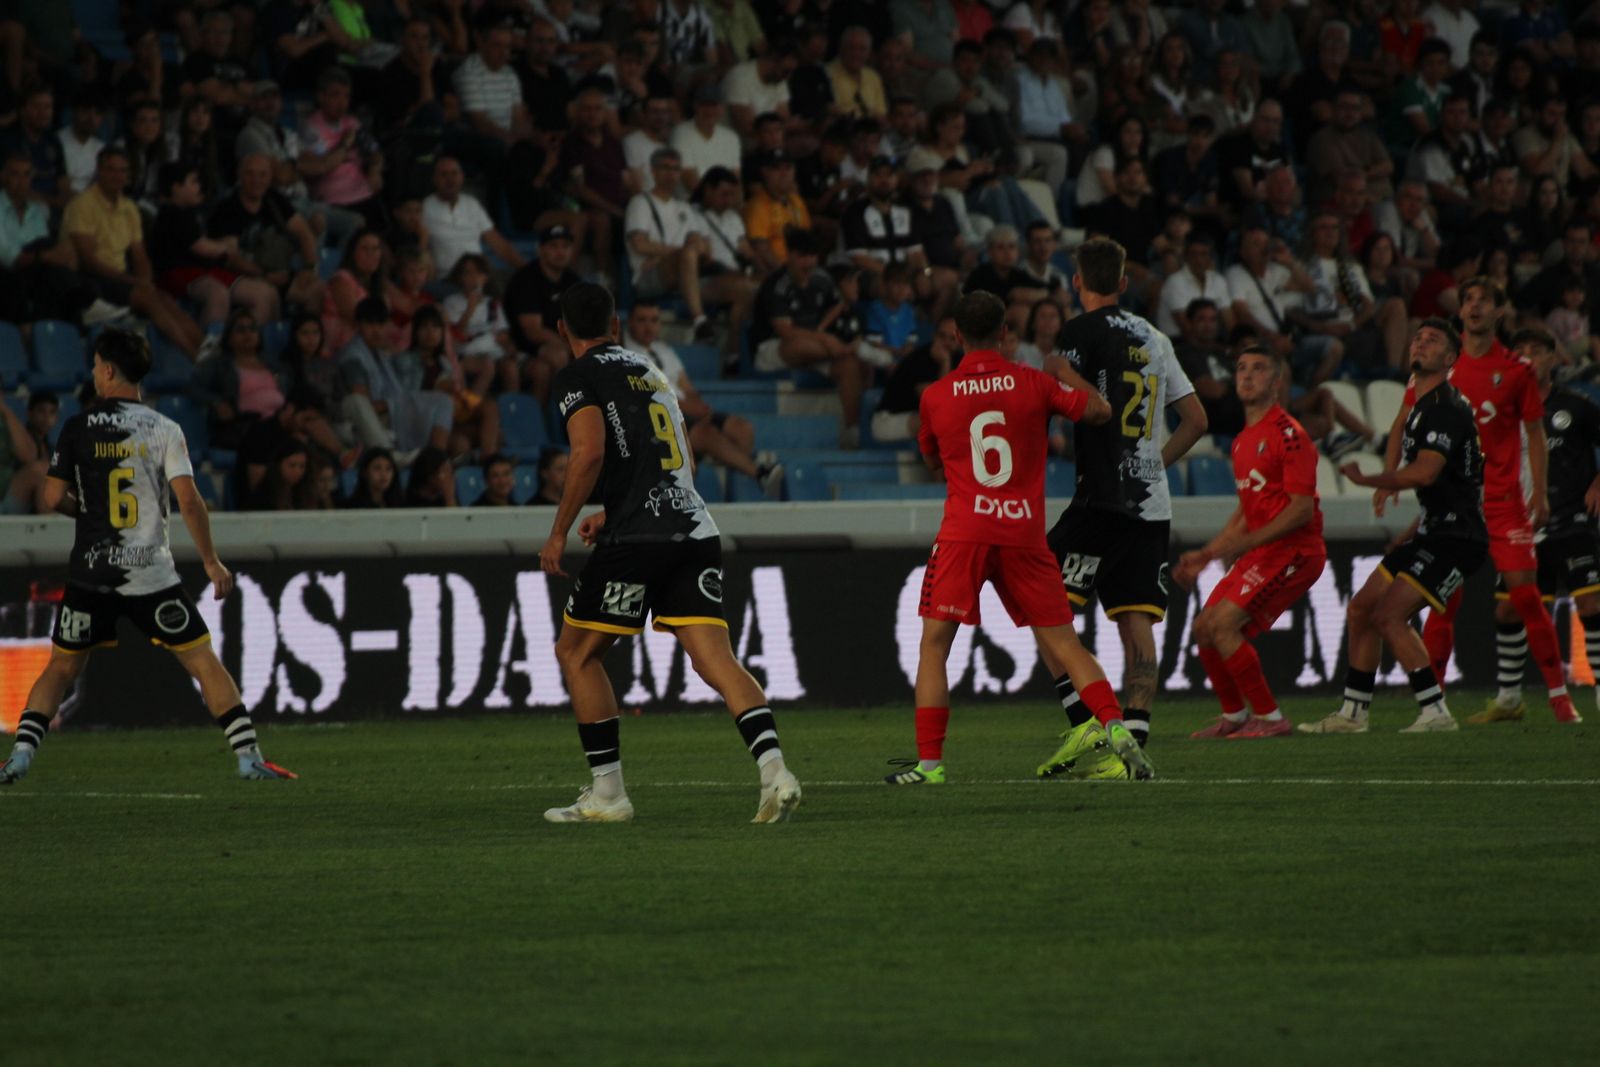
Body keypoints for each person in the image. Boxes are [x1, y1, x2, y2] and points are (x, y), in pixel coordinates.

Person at [537, 281, 803, 824]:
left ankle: (609, 794)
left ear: (562, 329)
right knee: (716, 659)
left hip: (637, 539)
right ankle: (775, 771)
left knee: (577, 653)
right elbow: (680, 459)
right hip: (692, 526)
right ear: (615, 325)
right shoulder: (650, 370)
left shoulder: (577, 377)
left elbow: (588, 452)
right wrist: (611, 510)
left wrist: (558, 530)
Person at [0, 330, 295, 786]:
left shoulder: (77, 428)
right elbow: (190, 501)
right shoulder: (165, 429)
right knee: (201, 660)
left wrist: (89, 511)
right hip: (151, 576)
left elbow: (52, 494)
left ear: (110, 370)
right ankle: (247, 756)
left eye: (97, 364)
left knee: (61, 666)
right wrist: (212, 562)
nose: (94, 372)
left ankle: (18, 757)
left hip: (92, 575)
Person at [889, 289, 1152, 784]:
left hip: (965, 532)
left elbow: (931, 460)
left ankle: (929, 765)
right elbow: (1098, 412)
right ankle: (1114, 727)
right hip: (1024, 533)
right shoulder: (1034, 382)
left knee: (934, 647)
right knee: (1066, 644)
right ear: (1007, 333)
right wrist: (1067, 377)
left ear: (956, 336)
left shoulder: (936, 395)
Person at [1384, 278, 1579, 723]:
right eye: (1468, 300)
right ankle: (1432, 706)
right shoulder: (1438, 373)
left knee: (1526, 596)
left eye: (1483, 301)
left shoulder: (1515, 371)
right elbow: (1402, 420)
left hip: (1504, 503)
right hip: (1454, 507)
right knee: (1441, 604)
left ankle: (1559, 697)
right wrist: (1389, 478)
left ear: (1499, 313)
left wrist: (1541, 493)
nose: (1473, 306)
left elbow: (1534, 433)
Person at [1044, 238, 1208, 752]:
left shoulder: (1079, 332)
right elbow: (1197, 420)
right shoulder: (1155, 337)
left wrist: (1059, 370)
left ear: (1076, 283)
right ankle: (1136, 733)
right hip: (1150, 501)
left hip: (1101, 499)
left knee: (1041, 601)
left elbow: (1070, 395)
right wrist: (1152, 462)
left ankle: (1086, 725)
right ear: (1121, 283)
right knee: (1136, 622)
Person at [1302, 319, 1486, 734]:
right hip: (1434, 530)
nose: (1420, 342)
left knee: (1388, 615)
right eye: (1417, 337)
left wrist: (1373, 480)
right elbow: (1402, 435)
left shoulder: (1445, 408)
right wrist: (1388, 479)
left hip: (1459, 538)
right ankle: (1353, 714)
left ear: (1450, 358)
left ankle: (1435, 711)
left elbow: (1425, 472)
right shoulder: (1421, 402)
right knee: (1362, 608)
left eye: (1433, 339)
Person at [1175, 346, 1327, 738]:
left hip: (1296, 552)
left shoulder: (1290, 435)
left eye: (1259, 369)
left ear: (1276, 383)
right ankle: (1235, 716)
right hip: (1266, 551)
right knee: (1204, 627)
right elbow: (1245, 512)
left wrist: (1241, 545)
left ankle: (1271, 718)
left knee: (1224, 624)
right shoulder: (1244, 441)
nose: (1247, 375)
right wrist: (1208, 554)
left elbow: (1300, 512)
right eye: (1242, 368)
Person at [1481, 327, 1599, 718]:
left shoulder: (1577, 406)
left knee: (1591, 602)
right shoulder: (1501, 409)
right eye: (1521, 350)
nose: (1529, 357)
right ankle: (1509, 698)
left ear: (1554, 359)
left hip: (1573, 519)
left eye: (1538, 350)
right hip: (1524, 524)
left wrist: (1598, 482)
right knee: (1508, 611)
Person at [625, 301, 783, 497]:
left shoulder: (664, 350)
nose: (648, 326)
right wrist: (692, 410)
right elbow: (653, 396)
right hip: (662, 416)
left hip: (687, 410)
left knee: (743, 429)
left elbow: (687, 386)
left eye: (654, 320)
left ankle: (729, 480)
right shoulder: (626, 355)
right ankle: (759, 473)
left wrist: (700, 407)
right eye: (642, 320)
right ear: (630, 322)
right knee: (706, 433)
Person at [749, 227, 868, 447]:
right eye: (803, 256)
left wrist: (823, 331)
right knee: (801, 345)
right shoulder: (777, 284)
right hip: (773, 348)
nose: (809, 262)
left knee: (850, 365)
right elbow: (784, 331)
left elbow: (837, 306)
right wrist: (825, 340)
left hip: (818, 345)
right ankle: (840, 350)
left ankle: (852, 430)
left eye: (813, 256)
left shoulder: (822, 278)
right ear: (791, 255)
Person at [504, 224, 583, 403]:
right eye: (553, 246)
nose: (560, 252)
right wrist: (571, 346)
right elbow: (533, 332)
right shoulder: (526, 280)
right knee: (557, 357)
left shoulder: (572, 280)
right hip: (523, 347)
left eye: (565, 246)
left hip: (562, 342)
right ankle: (559, 417)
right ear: (540, 250)